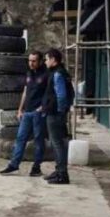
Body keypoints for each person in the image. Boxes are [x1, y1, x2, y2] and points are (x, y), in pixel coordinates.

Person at [0, 51, 49, 177]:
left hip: (38, 113)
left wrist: (42, 108)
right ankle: (13, 165)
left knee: (38, 140)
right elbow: (25, 92)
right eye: (29, 60)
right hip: (27, 112)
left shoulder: (46, 74)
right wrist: (20, 109)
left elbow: (50, 94)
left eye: (34, 61)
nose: (31, 63)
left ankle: (36, 167)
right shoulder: (28, 73)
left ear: (40, 61)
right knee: (20, 138)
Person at [42, 48, 74, 185]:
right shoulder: (61, 72)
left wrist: (60, 112)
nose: (45, 62)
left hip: (55, 113)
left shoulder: (57, 74)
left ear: (53, 60)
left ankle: (62, 174)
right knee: (57, 144)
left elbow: (61, 96)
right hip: (56, 112)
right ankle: (59, 171)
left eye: (47, 59)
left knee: (57, 144)